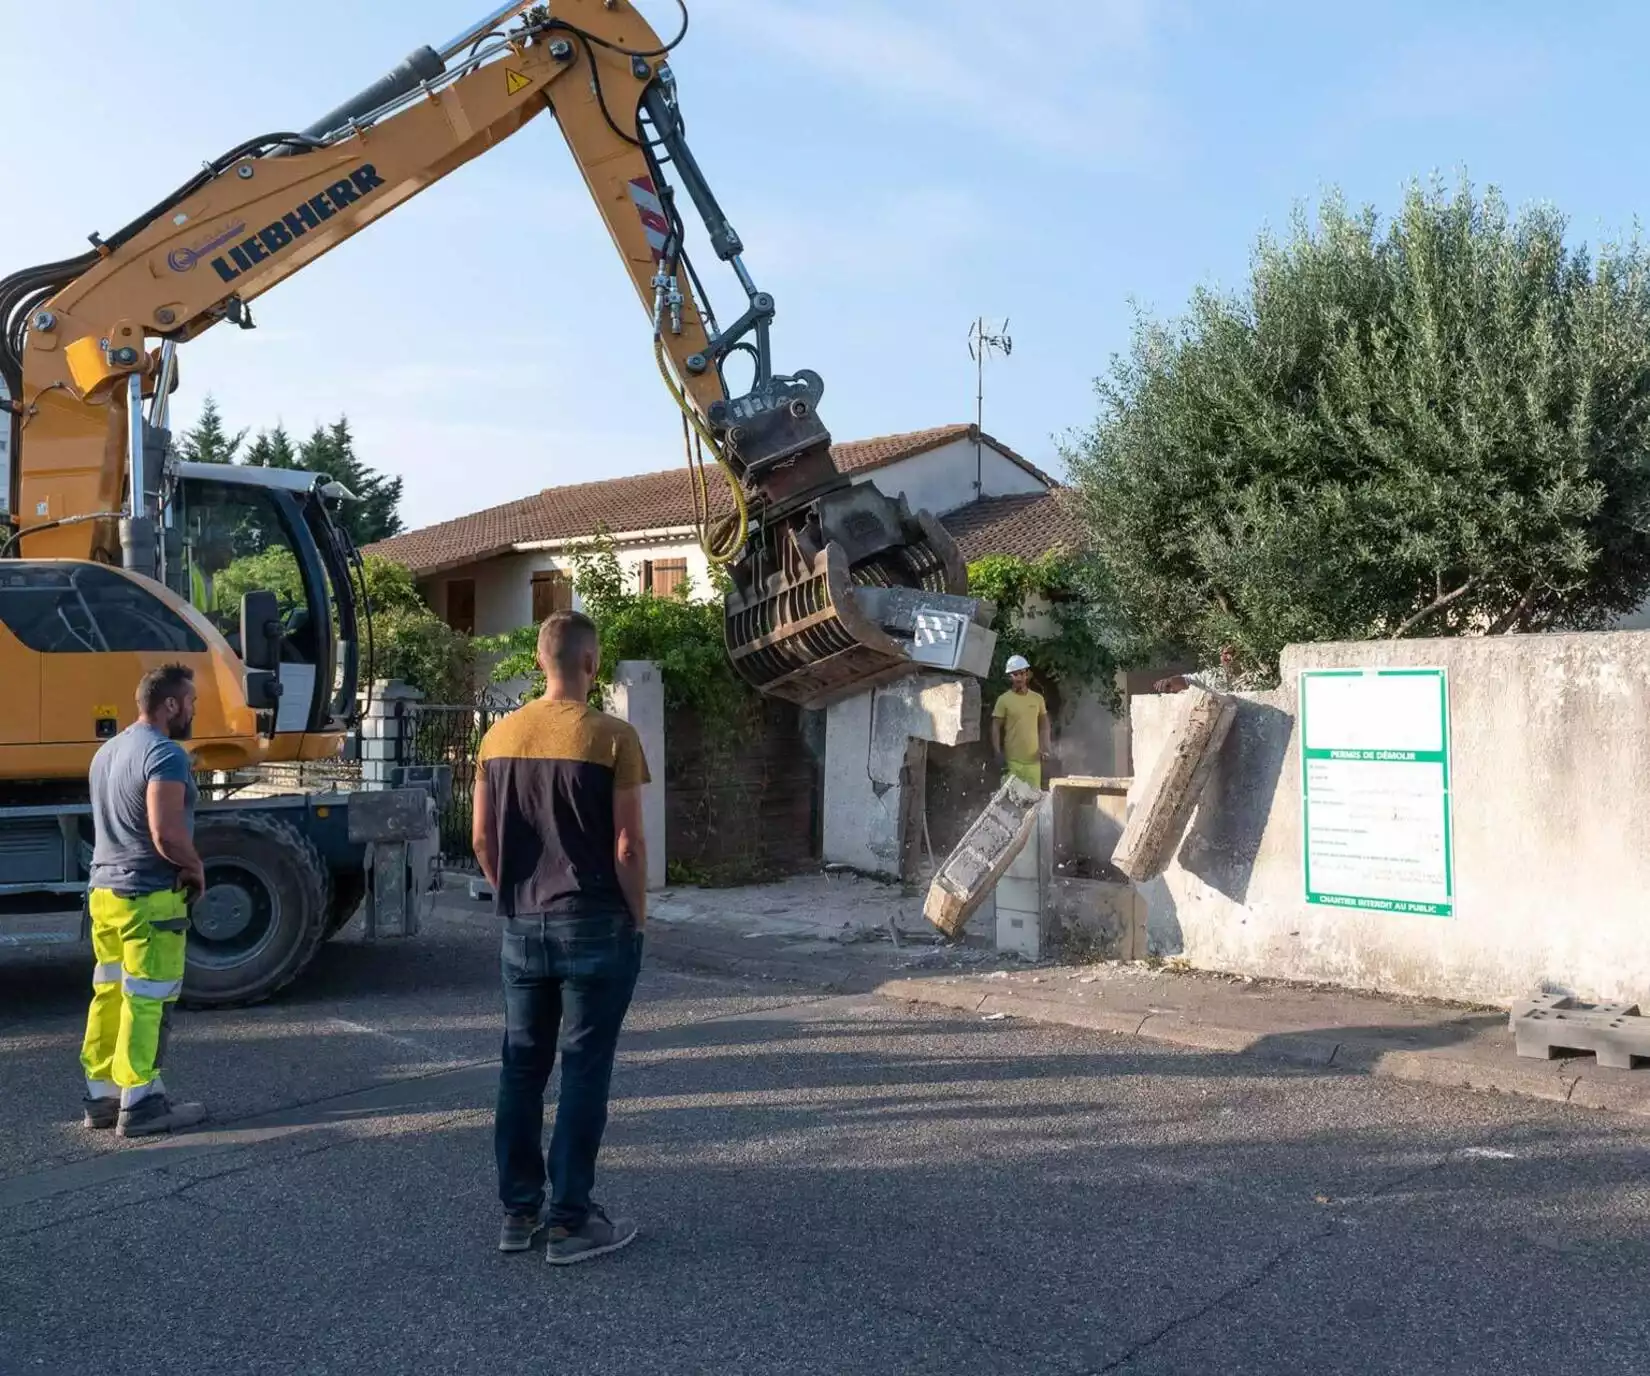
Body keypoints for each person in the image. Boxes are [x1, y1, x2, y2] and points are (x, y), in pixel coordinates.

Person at [473, 610, 650, 1266]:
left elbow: (482, 840)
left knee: (521, 1066)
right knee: (583, 1069)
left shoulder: (497, 736)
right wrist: (638, 917)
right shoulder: (612, 737)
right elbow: (628, 844)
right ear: (590, 663)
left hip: (522, 925)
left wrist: (512, 894)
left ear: (541, 660)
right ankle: (571, 1221)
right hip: (597, 922)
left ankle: (519, 1213)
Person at [81, 663, 208, 1138]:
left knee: (109, 992)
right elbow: (166, 833)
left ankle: (102, 1098)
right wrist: (194, 867)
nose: (194, 709)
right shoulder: (164, 754)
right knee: (149, 997)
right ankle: (143, 1101)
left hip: (105, 893)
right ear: (170, 704)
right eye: (191, 700)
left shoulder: (107, 752)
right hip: (150, 896)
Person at [991, 653, 1051, 789]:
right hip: (1012, 762)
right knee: (1011, 802)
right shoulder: (1003, 700)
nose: (1019, 677)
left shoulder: (1037, 699)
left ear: (1027, 674)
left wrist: (1045, 748)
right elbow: (995, 727)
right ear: (1010, 677)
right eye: (1014, 674)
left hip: (1034, 762)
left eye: (1021, 673)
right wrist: (997, 752)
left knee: (1034, 802)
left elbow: (1045, 725)